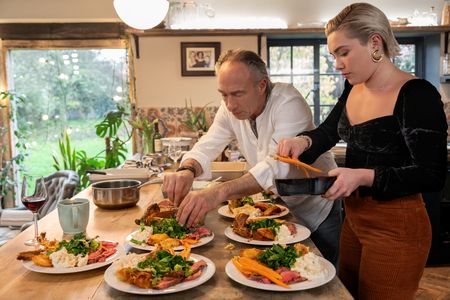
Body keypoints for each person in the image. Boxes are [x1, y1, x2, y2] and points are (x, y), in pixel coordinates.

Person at [277, 3, 447, 299]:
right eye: (333, 55)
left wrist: (363, 176)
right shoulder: (353, 87)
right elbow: (327, 133)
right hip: (353, 220)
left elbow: (431, 175)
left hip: (398, 226)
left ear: (375, 43)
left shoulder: (417, 94)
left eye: (343, 52)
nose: (337, 63)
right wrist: (302, 142)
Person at [163, 49, 342, 266]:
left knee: (323, 276)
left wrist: (217, 193)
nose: (230, 104)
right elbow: (207, 145)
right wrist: (187, 170)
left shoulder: (288, 102)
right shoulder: (229, 108)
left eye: (237, 94)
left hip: (317, 207)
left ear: (261, 85)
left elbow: (276, 166)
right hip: (278, 211)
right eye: (223, 94)